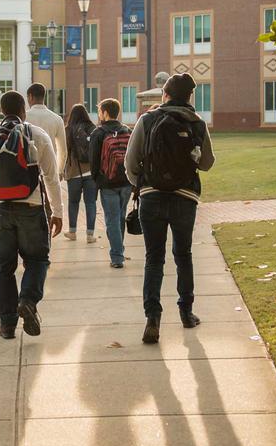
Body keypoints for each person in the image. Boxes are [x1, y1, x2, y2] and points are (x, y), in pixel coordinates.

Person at [125, 73, 215, 344]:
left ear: (165, 94)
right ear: (189, 96)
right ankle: (186, 312)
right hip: (185, 197)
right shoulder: (197, 123)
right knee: (183, 254)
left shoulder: (147, 119)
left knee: (154, 259)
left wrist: (142, 184)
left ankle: (153, 318)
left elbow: (131, 162)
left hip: (151, 196)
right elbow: (207, 163)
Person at [0, 91, 63, 340]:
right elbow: (51, 178)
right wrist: (57, 212)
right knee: (37, 260)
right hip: (31, 208)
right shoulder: (36, 134)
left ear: (1, 111)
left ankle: (7, 324)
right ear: (24, 111)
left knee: (4, 266)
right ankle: (28, 301)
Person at [89, 98, 132, 269]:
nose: (99, 115)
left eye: (100, 111)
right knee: (120, 217)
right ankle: (119, 249)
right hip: (126, 182)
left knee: (112, 219)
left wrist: (98, 180)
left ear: (105, 113)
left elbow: (93, 162)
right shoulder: (127, 130)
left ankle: (117, 256)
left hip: (108, 183)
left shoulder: (98, 133)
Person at [63, 104, 98, 243]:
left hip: (74, 172)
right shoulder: (93, 129)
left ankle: (72, 232)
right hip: (90, 172)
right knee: (90, 203)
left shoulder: (67, 130)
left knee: (73, 202)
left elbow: (64, 152)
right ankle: (90, 235)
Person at [25, 83, 66, 170]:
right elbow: (62, 151)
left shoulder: (23, 118)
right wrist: (60, 170)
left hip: (28, 169)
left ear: (30, 96)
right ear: (44, 96)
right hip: (50, 168)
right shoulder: (57, 119)